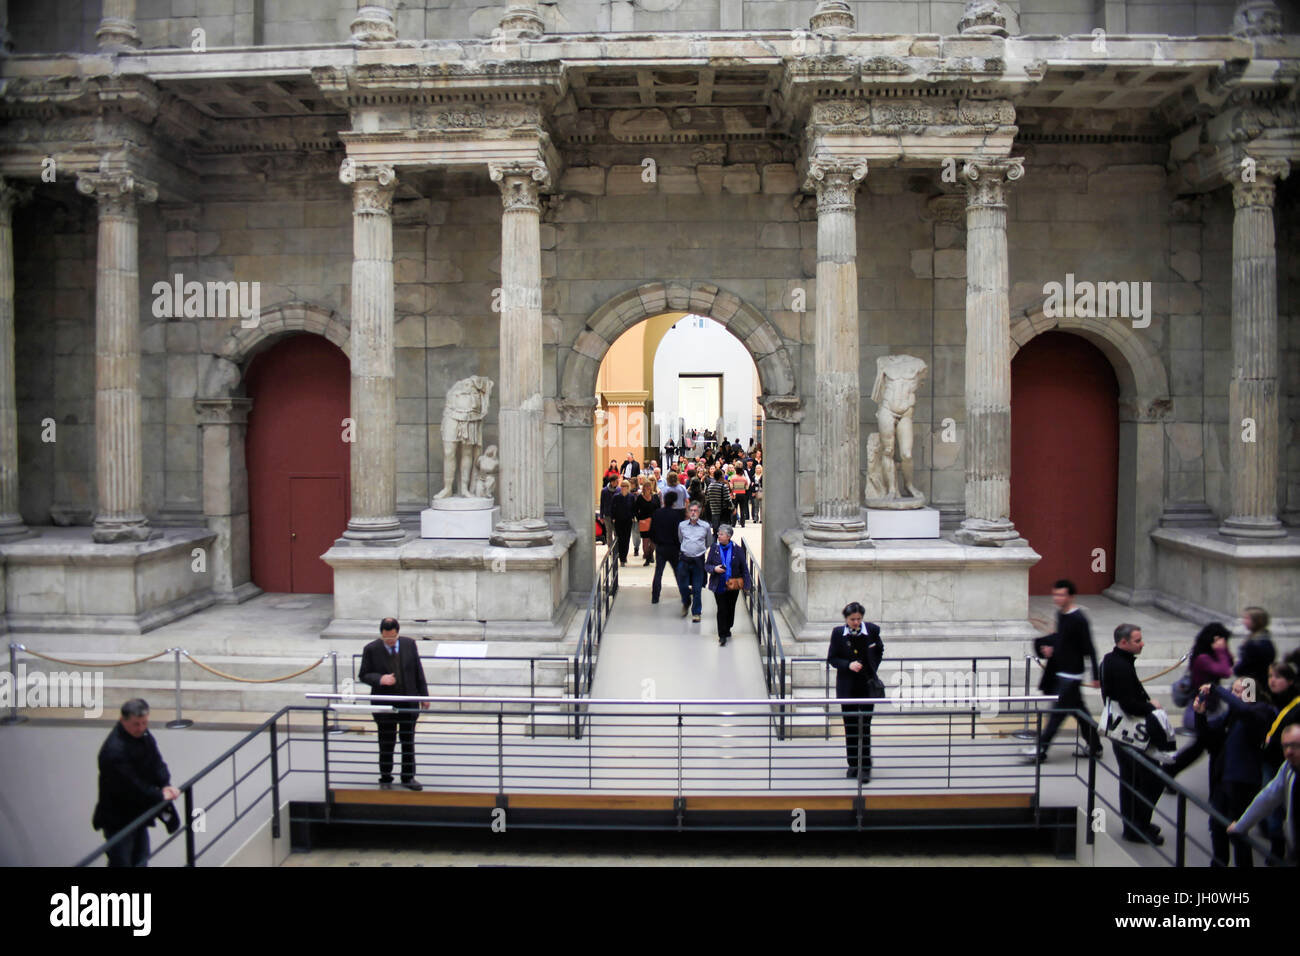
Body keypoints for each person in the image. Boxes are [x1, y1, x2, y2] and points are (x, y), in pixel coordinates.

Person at [1102, 623, 1173, 845]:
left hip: (1121, 732)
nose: (1142, 644)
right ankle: (1137, 826)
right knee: (1151, 779)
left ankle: (1135, 824)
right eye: (1137, 641)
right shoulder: (1121, 666)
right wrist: (1152, 707)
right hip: (1129, 733)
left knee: (1131, 780)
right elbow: (1129, 704)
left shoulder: (1111, 660)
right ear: (1123, 642)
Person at [1193, 677, 1274, 866]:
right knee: (1216, 827)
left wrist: (1215, 688)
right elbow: (1209, 739)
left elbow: (1245, 710)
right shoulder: (1232, 715)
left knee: (1238, 833)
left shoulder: (1261, 711)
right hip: (1223, 780)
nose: (1234, 696)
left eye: (1239, 692)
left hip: (1243, 783)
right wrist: (1200, 715)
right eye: (1234, 691)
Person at [92, 699, 180, 867]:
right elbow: (132, 786)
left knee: (141, 857)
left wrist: (165, 784)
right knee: (122, 862)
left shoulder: (143, 735)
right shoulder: (113, 752)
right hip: (118, 819)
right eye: (136, 724)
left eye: (144, 723)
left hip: (137, 812)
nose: (140, 728)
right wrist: (160, 794)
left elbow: (156, 762)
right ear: (122, 720)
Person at [1024, 579, 1102, 763]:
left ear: (1071, 596)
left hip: (1071, 674)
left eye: (1061, 595)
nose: (1057, 598)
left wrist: (1096, 676)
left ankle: (1041, 750)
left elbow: (1088, 647)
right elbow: (1063, 640)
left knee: (1057, 714)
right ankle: (1096, 745)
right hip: (1062, 671)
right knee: (1078, 711)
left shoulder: (1079, 619)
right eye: (1055, 594)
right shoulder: (1061, 615)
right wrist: (1051, 648)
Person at [359, 617, 430, 791]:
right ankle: (385, 776)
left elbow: (417, 671)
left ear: (397, 633)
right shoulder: (371, 649)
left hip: (407, 701)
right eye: (386, 638)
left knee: (408, 740)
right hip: (385, 704)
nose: (390, 641)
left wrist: (424, 695)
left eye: (392, 638)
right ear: (381, 634)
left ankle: (408, 777)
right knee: (386, 741)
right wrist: (380, 679)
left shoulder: (409, 644)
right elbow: (363, 674)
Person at [1227, 723, 1300, 866]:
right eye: (1285, 746)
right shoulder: (1288, 769)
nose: (1289, 751)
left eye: (1295, 745)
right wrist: (1241, 825)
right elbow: (1268, 797)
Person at [827, 602, 884, 782]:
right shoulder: (838, 634)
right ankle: (853, 764)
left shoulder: (872, 630)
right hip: (847, 686)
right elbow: (832, 658)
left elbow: (879, 649)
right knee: (850, 726)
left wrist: (872, 666)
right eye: (852, 619)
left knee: (864, 727)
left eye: (859, 619)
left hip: (866, 686)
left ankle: (865, 767)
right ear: (846, 619)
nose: (856, 622)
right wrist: (848, 665)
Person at [704, 524, 752, 646]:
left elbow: (744, 568)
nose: (718, 536)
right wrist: (714, 569)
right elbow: (707, 565)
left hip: (733, 584)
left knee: (730, 608)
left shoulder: (738, 549)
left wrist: (747, 584)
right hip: (719, 584)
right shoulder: (714, 548)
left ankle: (728, 626)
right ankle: (722, 634)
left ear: (728, 536)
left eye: (721, 534)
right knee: (721, 609)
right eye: (718, 534)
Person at [1182, 622, 1233, 729]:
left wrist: (1223, 650)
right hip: (1202, 712)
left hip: (1211, 707)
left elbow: (1229, 662)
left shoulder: (1212, 655)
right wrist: (1221, 650)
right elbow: (1225, 672)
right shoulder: (1203, 658)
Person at [677, 501, 711, 623]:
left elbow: (708, 542)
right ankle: (686, 602)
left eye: (695, 510)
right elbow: (680, 539)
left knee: (697, 588)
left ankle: (696, 612)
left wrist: (699, 550)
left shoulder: (705, 526)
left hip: (698, 560)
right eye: (691, 510)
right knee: (682, 586)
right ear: (688, 511)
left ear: (700, 511)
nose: (693, 513)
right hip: (685, 558)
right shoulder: (682, 525)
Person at [649, 489, 683, 604]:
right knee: (678, 572)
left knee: (658, 572)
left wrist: (656, 542)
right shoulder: (676, 515)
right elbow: (678, 533)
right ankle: (684, 594)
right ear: (674, 502)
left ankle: (655, 596)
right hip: (673, 548)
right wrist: (679, 547)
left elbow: (652, 531)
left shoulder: (657, 513)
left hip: (661, 547)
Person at [1234, 606, 1275, 692]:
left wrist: (1236, 667)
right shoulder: (1263, 639)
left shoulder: (1255, 643)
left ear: (1256, 621)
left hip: (1251, 683)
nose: (1243, 621)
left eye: (1246, 618)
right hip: (1256, 681)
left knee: (1248, 703)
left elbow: (1245, 665)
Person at [634, 478, 661, 567]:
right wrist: (639, 519)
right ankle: (647, 557)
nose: (648, 487)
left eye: (649, 486)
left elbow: (659, 508)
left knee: (653, 542)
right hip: (644, 522)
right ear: (644, 487)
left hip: (654, 522)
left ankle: (650, 555)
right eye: (646, 486)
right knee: (645, 542)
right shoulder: (640, 498)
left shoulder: (655, 496)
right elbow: (635, 510)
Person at [610, 478, 636, 565]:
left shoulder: (631, 497)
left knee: (627, 538)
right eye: (622, 486)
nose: (624, 487)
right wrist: (613, 518)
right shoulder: (616, 497)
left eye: (625, 486)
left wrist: (633, 517)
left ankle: (624, 556)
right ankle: (621, 558)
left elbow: (633, 508)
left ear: (628, 487)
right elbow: (613, 508)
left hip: (628, 520)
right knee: (620, 539)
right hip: (618, 520)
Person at [704, 467, 733, 532]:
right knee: (724, 532)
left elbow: (708, 498)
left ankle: (715, 541)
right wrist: (733, 508)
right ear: (721, 477)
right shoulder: (724, 486)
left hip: (714, 512)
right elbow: (727, 499)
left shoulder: (710, 486)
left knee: (715, 531)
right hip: (723, 513)